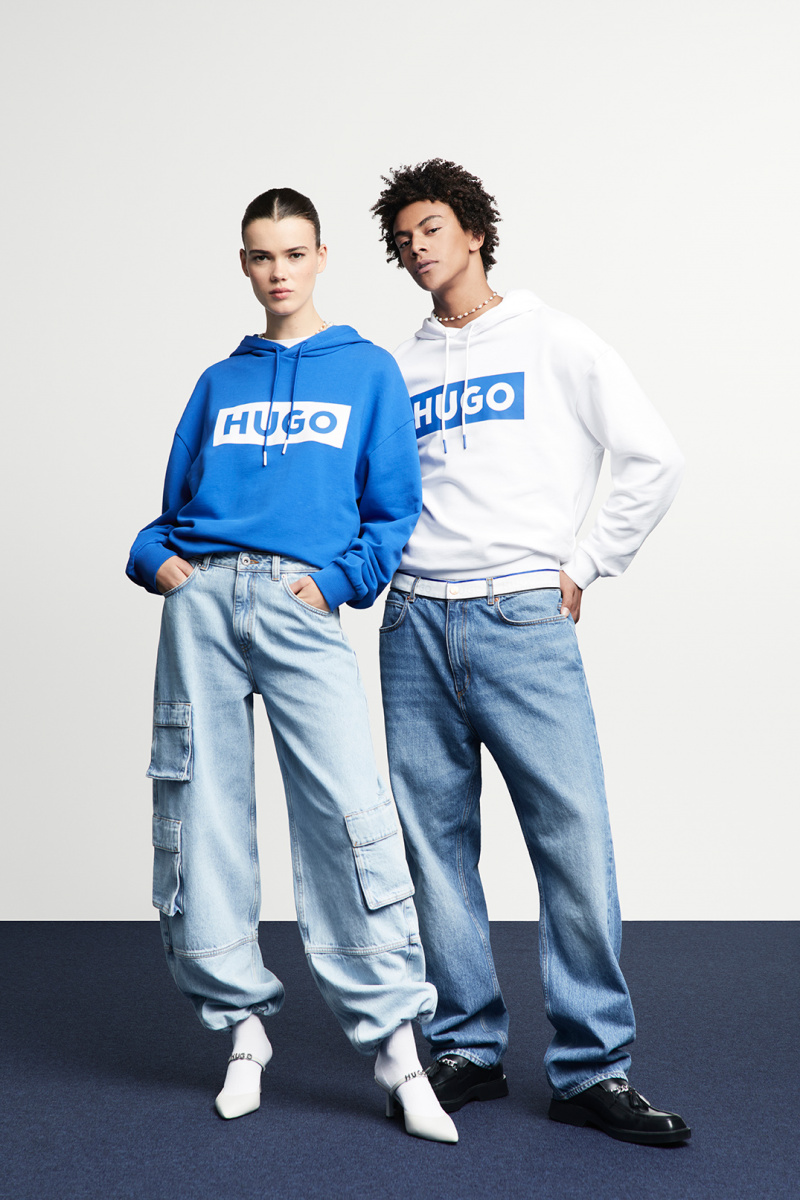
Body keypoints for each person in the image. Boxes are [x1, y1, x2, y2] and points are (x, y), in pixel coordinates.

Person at [126, 187, 457, 1144]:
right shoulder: (218, 382)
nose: (279, 271)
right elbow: (170, 513)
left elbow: (391, 510)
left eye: (295, 253)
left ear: (321, 258)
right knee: (200, 809)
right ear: (245, 263)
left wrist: (336, 583)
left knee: (349, 811)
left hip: (297, 602)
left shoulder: (367, 372)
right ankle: (240, 1032)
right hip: (202, 604)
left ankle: (397, 1052)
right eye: (262, 255)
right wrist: (160, 564)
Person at [371, 160, 690, 1145]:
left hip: (518, 616)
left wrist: (586, 563)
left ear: (473, 232)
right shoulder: (398, 369)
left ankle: (591, 1068)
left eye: (431, 228)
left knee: (572, 840)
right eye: (402, 239)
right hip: (413, 620)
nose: (417, 248)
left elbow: (654, 456)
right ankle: (465, 1047)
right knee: (433, 848)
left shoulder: (554, 339)